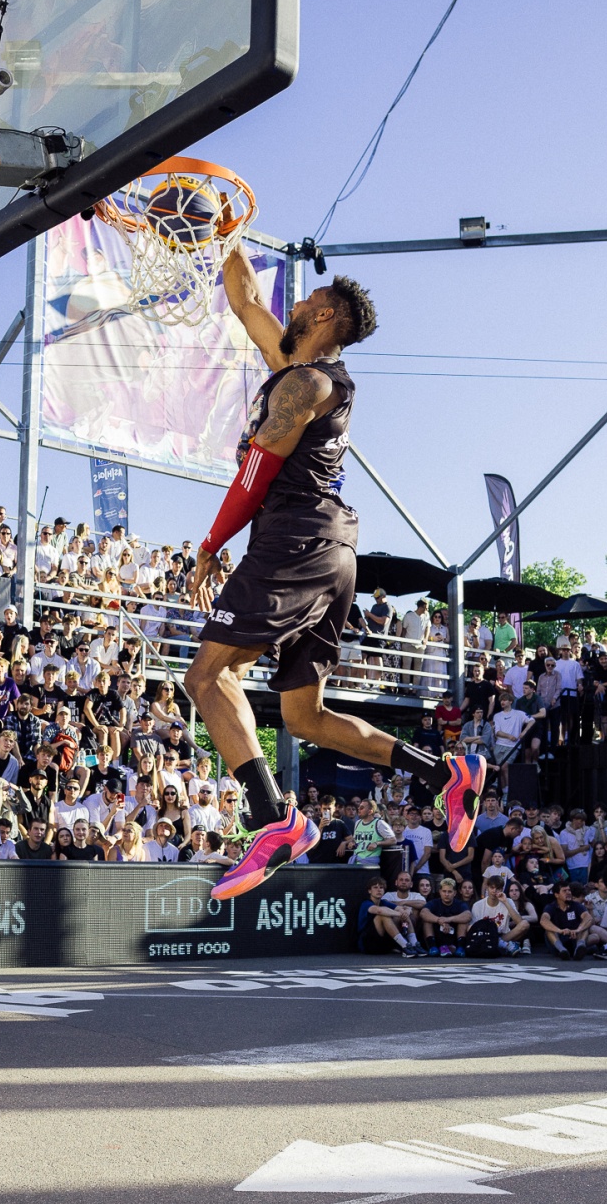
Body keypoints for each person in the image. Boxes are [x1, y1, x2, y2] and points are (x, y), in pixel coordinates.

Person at [184, 244, 485, 900]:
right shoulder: (296, 370)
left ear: (323, 316)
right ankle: (446, 775)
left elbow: (257, 472)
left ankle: (275, 821)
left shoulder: (310, 385)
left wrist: (210, 544)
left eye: (304, 299)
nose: (290, 302)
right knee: (305, 717)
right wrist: (223, 230)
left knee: (207, 676)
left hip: (296, 535)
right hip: (331, 548)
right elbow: (244, 299)